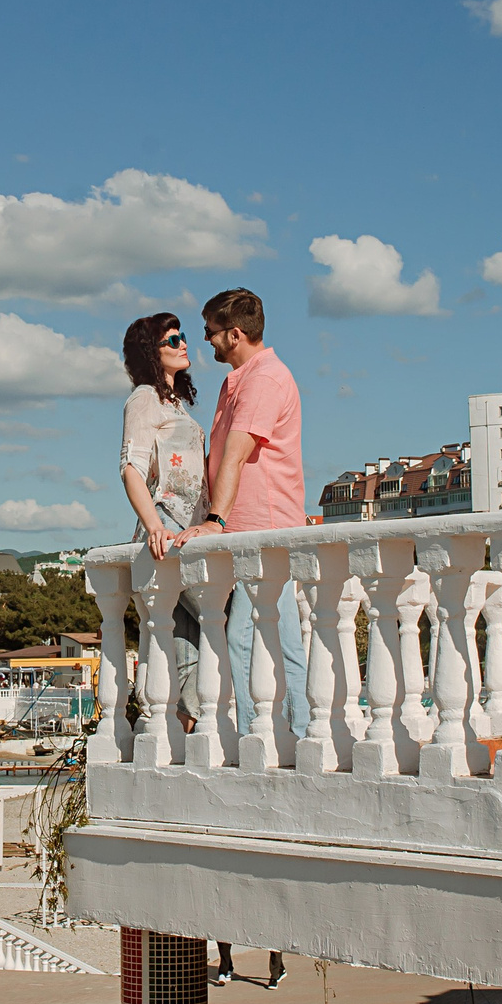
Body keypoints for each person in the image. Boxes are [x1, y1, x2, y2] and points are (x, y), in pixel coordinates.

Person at [175, 288, 311, 740]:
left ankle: (265, 735)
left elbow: (234, 456)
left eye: (211, 333)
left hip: (264, 529)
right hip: (247, 529)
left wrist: (214, 521)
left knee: (247, 638)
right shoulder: (238, 380)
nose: (206, 342)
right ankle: (295, 729)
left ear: (235, 334)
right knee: (281, 636)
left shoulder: (263, 380)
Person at [118, 313, 208, 718]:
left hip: (190, 527)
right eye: (172, 340)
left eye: (182, 336)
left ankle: (189, 732)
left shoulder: (176, 404)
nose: (183, 343)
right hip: (168, 524)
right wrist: (155, 526)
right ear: (150, 353)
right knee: (216, 623)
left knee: (190, 642)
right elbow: (130, 467)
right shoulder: (143, 398)